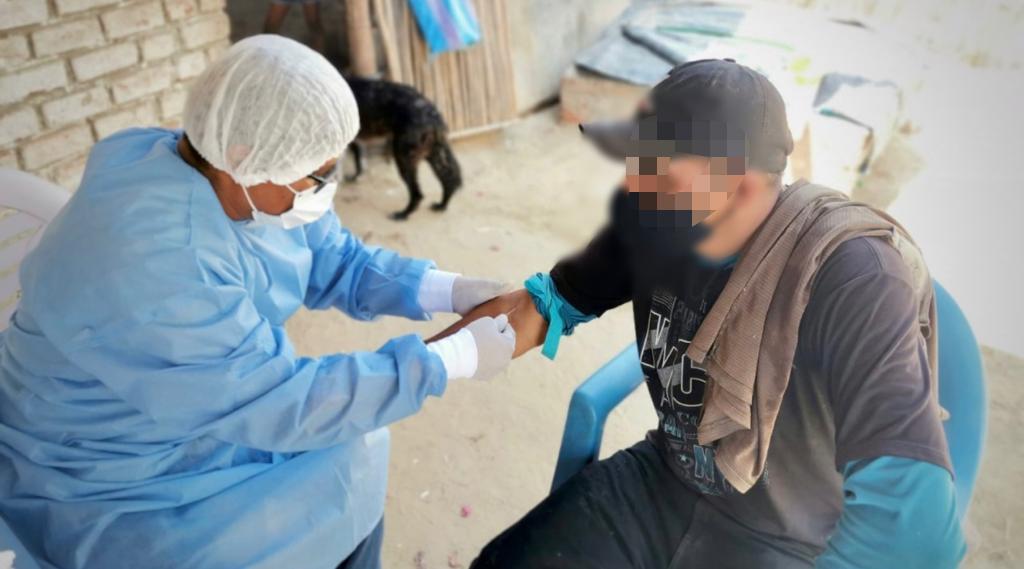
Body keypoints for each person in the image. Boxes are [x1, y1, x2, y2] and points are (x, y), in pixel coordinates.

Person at [0, 35, 514, 569]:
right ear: (244, 158)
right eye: (317, 174)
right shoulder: (163, 261)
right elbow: (280, 402)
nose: (326, 187)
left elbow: (330, 254)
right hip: (98, 462)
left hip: (195, 397)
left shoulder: (212, 169)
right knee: (346, 458)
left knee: (351, 447)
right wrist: (449, 359)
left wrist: (445, 289)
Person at [438, 59, 966, 568]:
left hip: (790, 541)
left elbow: (915, 534)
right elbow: (541, 306)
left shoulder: (852, 277)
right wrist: (422, 365)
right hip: (664, 481)